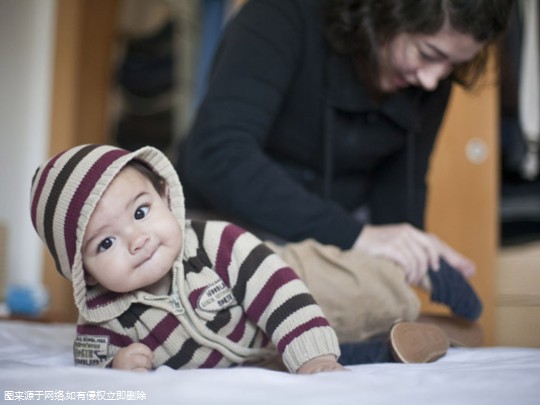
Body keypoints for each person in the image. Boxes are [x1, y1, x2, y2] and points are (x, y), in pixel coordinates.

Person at [30, 144, 453, 373]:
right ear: (82, 271)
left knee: (371, 295)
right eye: (105, 244)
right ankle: (415, 343)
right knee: (346, 351)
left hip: (292, 286)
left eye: (141, 213)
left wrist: (313, 355)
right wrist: (115, 361)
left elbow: (278, 292)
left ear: (163, 195)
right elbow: (88, 350)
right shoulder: (108, 311)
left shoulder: (217, 243)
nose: (137, 240)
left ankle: (438, 287)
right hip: (266, 353)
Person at [179, 0, 514, 287]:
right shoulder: (280, 14)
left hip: (331, 241)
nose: (432, 80)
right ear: (389, 10)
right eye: (427, 53)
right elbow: (217, 155)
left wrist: (414, 255)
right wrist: (356, 236)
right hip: (225, 224)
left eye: (452, 64)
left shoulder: (430, 79)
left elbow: (400, 189)